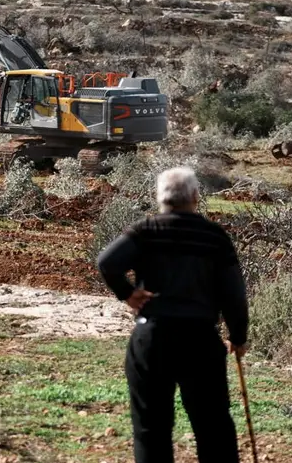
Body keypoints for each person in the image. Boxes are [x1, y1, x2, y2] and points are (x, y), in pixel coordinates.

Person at [97, 166, 249, 463]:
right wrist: (238, 336)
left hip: (152, 338)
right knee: (213, 426)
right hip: (200, 340)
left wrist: (127, 294)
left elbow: (107, 262)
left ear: (160, 197)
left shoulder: (146, 230)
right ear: (195, 196)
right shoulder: (214, 237)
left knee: (150, 428)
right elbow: (234, 293)